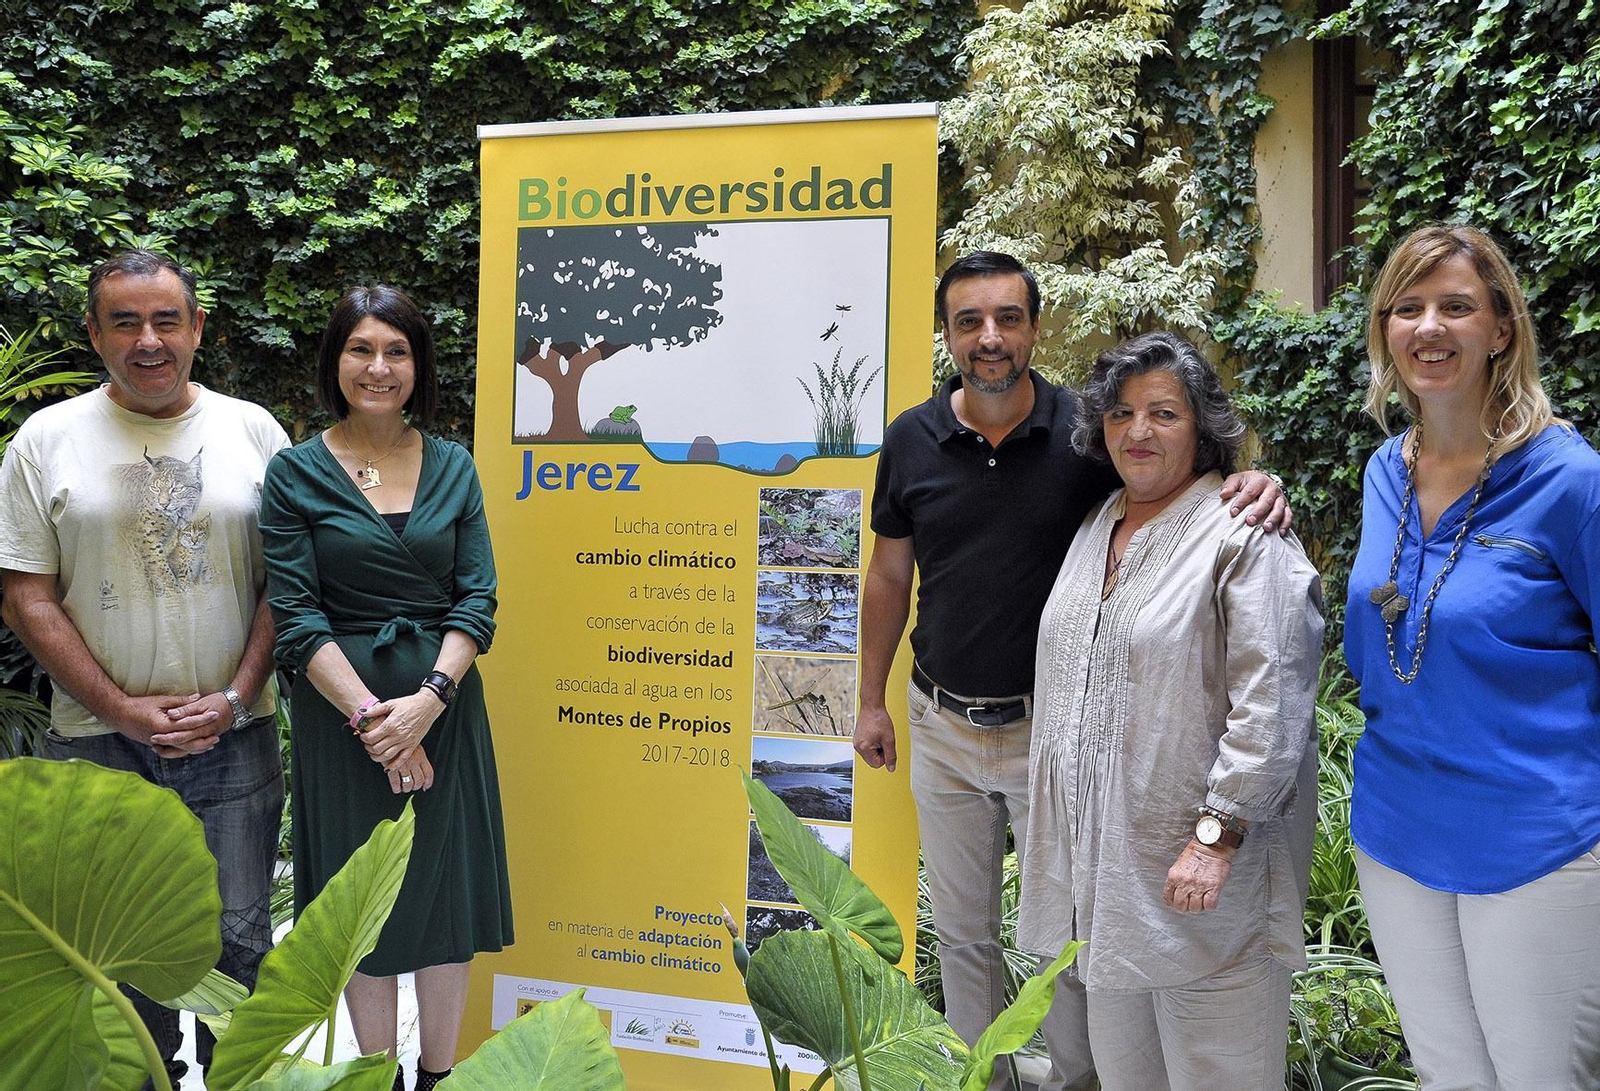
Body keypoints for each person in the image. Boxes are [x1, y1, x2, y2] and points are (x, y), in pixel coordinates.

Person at [856, 251, 1290, 1091]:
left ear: (1033, 327)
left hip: (1053, 733)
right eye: (969, 321)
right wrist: (871, 698)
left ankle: (1077, 1077)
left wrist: (1252, 479)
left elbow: (1170, 475)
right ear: (946, 333)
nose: (989, 337)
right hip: (940, 721)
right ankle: (978, 1076)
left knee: (1067, 927)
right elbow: (887, 575)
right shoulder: (910, 439)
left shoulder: (1083, 434)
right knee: (963, 932)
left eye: (1007, 318)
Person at [0, 249, 288, 1088]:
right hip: (96, 746)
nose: (148, 340)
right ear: (95, 335)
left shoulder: (254, 432)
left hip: (234, 738)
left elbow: (286, 584)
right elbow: (24, 595)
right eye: (124, 322)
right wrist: (121, 707)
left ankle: (239, 1080)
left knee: (240, 942)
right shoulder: (44, 440)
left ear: (198, 328)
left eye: (166, 319)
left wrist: (235, 695)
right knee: (116, 953)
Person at [1016, 330, 1322, 1090]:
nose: (1139, 431)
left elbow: (1273, 701)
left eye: (1164, 413)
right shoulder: (1098, 524)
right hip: (1107, 896)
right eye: (1121, 414)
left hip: (1207, 892)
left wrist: (1216, 837)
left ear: (1203, 427)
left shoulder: (1244, 532)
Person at [1345, 224, 1600, 1087]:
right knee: (1449, 1076)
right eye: (1407, 307)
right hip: (1396, 828)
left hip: (1535, 837)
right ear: (1385, 330)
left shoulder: (1570, 480)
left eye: (1456, 306)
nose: (1429, 327)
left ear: (1501, 329)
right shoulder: (1385, 470)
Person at [259, 286, 512, 1091]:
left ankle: (439, 1074)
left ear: (419, 365)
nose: (378, 367)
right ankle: (378, 1077)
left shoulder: (454, 465)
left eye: (396, 351)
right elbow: (297, 616)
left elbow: (477, 598)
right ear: (335, 362)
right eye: (361, 349)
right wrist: (378, 723)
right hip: (343, 726)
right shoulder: (294, 473)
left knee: (444, 897)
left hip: (447, 716)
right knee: (359, 897)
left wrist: (428, 703)